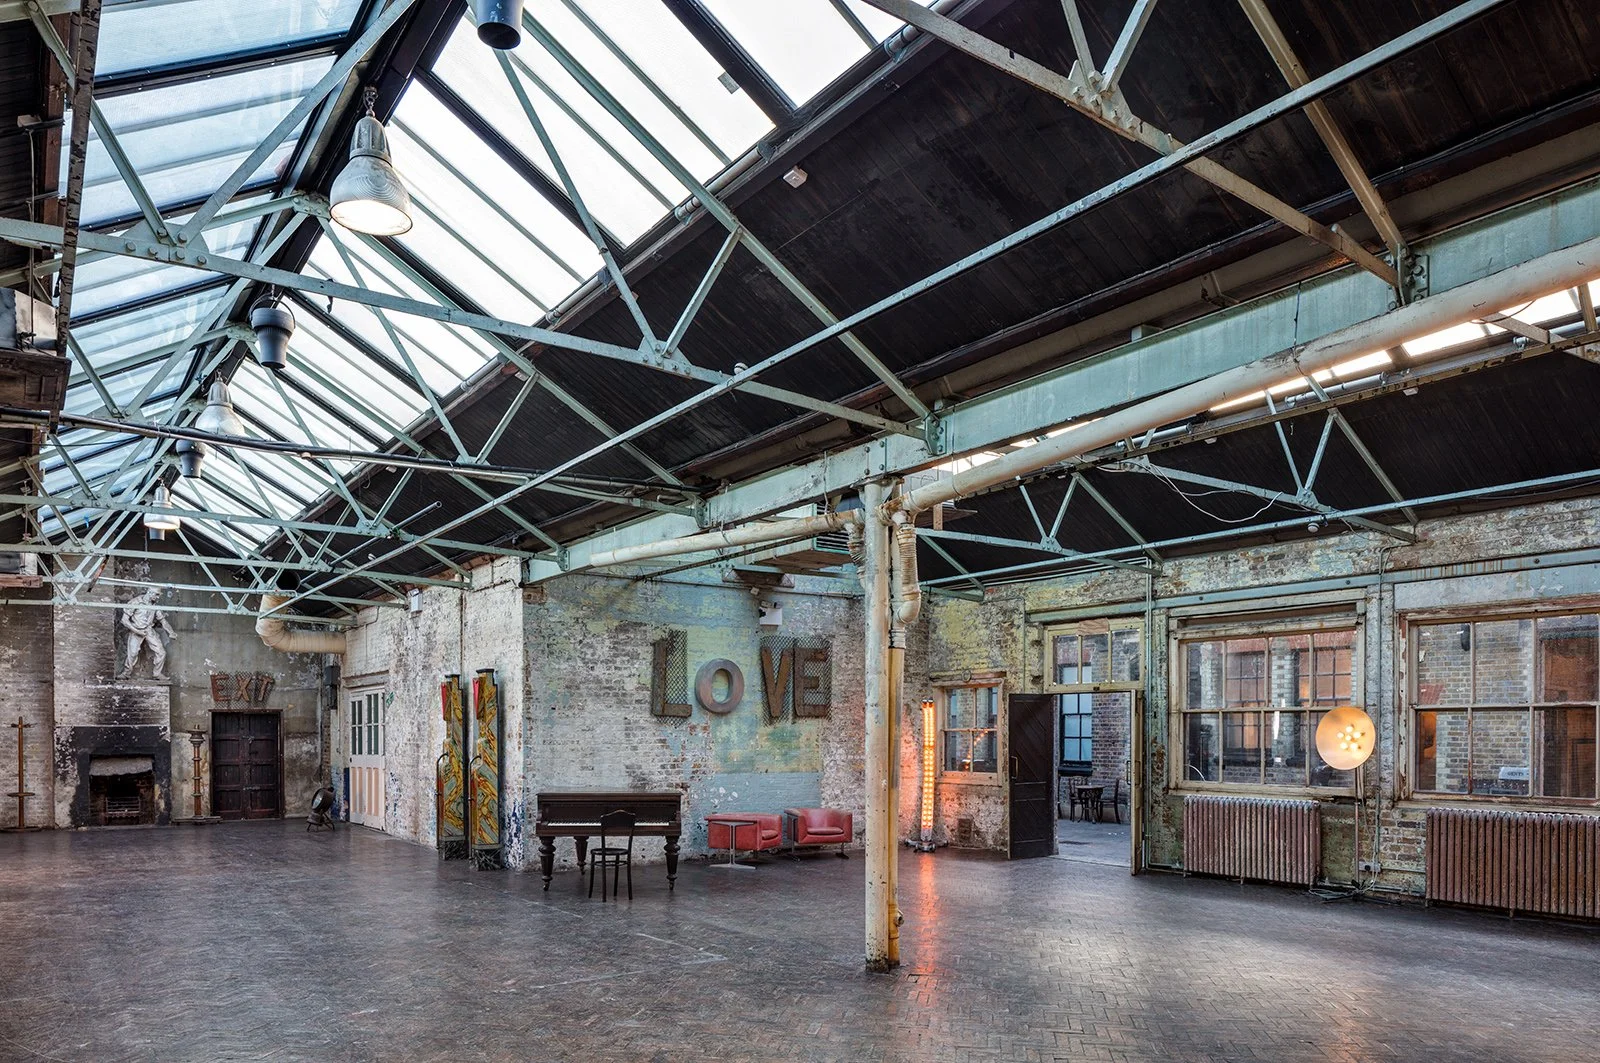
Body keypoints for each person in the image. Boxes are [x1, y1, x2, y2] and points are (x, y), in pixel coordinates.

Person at [116, 586, 176, 681]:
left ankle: (157, 674)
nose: (158, 597)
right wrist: (136, 631)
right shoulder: (135, 602)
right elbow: (124, 620)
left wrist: (171, 632)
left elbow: (163, 621)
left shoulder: (155, 605)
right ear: (150, 592)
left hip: (148, 630)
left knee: (161, 652)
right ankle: (125, 673)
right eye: (156, 595)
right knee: (133, 653)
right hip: (136, 629)